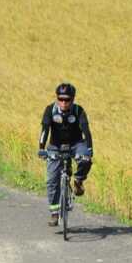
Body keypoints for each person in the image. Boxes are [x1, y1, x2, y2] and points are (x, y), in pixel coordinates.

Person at [38, 82, 93, 227]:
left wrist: (89, 149)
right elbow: (44, 129)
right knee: (51, 180)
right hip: (55, 146)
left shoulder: (78, 110)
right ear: (57, 98)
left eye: (67, 99)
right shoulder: (50, 110)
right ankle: (55, 213)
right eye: (61, 99)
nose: (63, 102)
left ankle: (78, 181)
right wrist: (41, 148)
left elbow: (86, 130)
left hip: (76, 144)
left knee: (85, 159)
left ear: (73, 99)